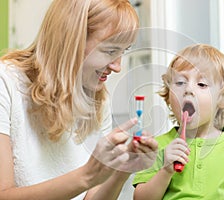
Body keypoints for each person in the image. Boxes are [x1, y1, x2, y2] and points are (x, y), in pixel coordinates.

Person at [0, 0, 158, 199]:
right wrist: (87, 176)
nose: (118, 67)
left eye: (123, 52)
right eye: (110, 51)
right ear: (70, 40)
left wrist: (121, 172)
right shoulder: (5, 83)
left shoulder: (98, 101)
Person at [133, 44, 224, 199]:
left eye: (202, 84)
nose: (188, 89)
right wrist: (165, 170)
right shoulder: (155, 147)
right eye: (180, 83)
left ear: (223, 98)